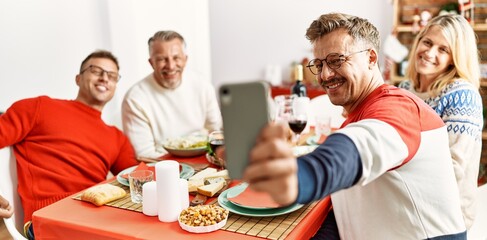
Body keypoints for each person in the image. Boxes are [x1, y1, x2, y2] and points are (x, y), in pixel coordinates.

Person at [243, 13, 466, 239]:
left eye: (336, 60)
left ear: (371, 58)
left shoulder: (398, 107)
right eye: (319, 65)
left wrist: (298, 176)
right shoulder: (356, 116)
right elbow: (346, 212)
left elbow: (351, 152)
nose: (325, 75)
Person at [0, 50, 138, 236]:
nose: (105, 78)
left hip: (99, 215)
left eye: (112, 76)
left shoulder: (116, 137)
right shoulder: (40, 107)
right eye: (96, 71)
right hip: (51, 216)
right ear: (78, 79)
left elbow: (137, 178)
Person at [397, 14, 483, 230]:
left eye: (443, 49)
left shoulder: (462, 95)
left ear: (455, 58)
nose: (429, 53)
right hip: (407, 201)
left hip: (445, 217)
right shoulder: (405, 89)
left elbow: (453, 169)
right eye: (427, 42)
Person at [122, 30, 222, 159]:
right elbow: (143, 154)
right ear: (151, 63)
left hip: (203, 158)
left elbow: (216, 133)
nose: (171, 66)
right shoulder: (135, 98)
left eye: (176, 58)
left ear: (185, 59)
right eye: (162, 59)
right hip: (161, 165)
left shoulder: (203, 86)